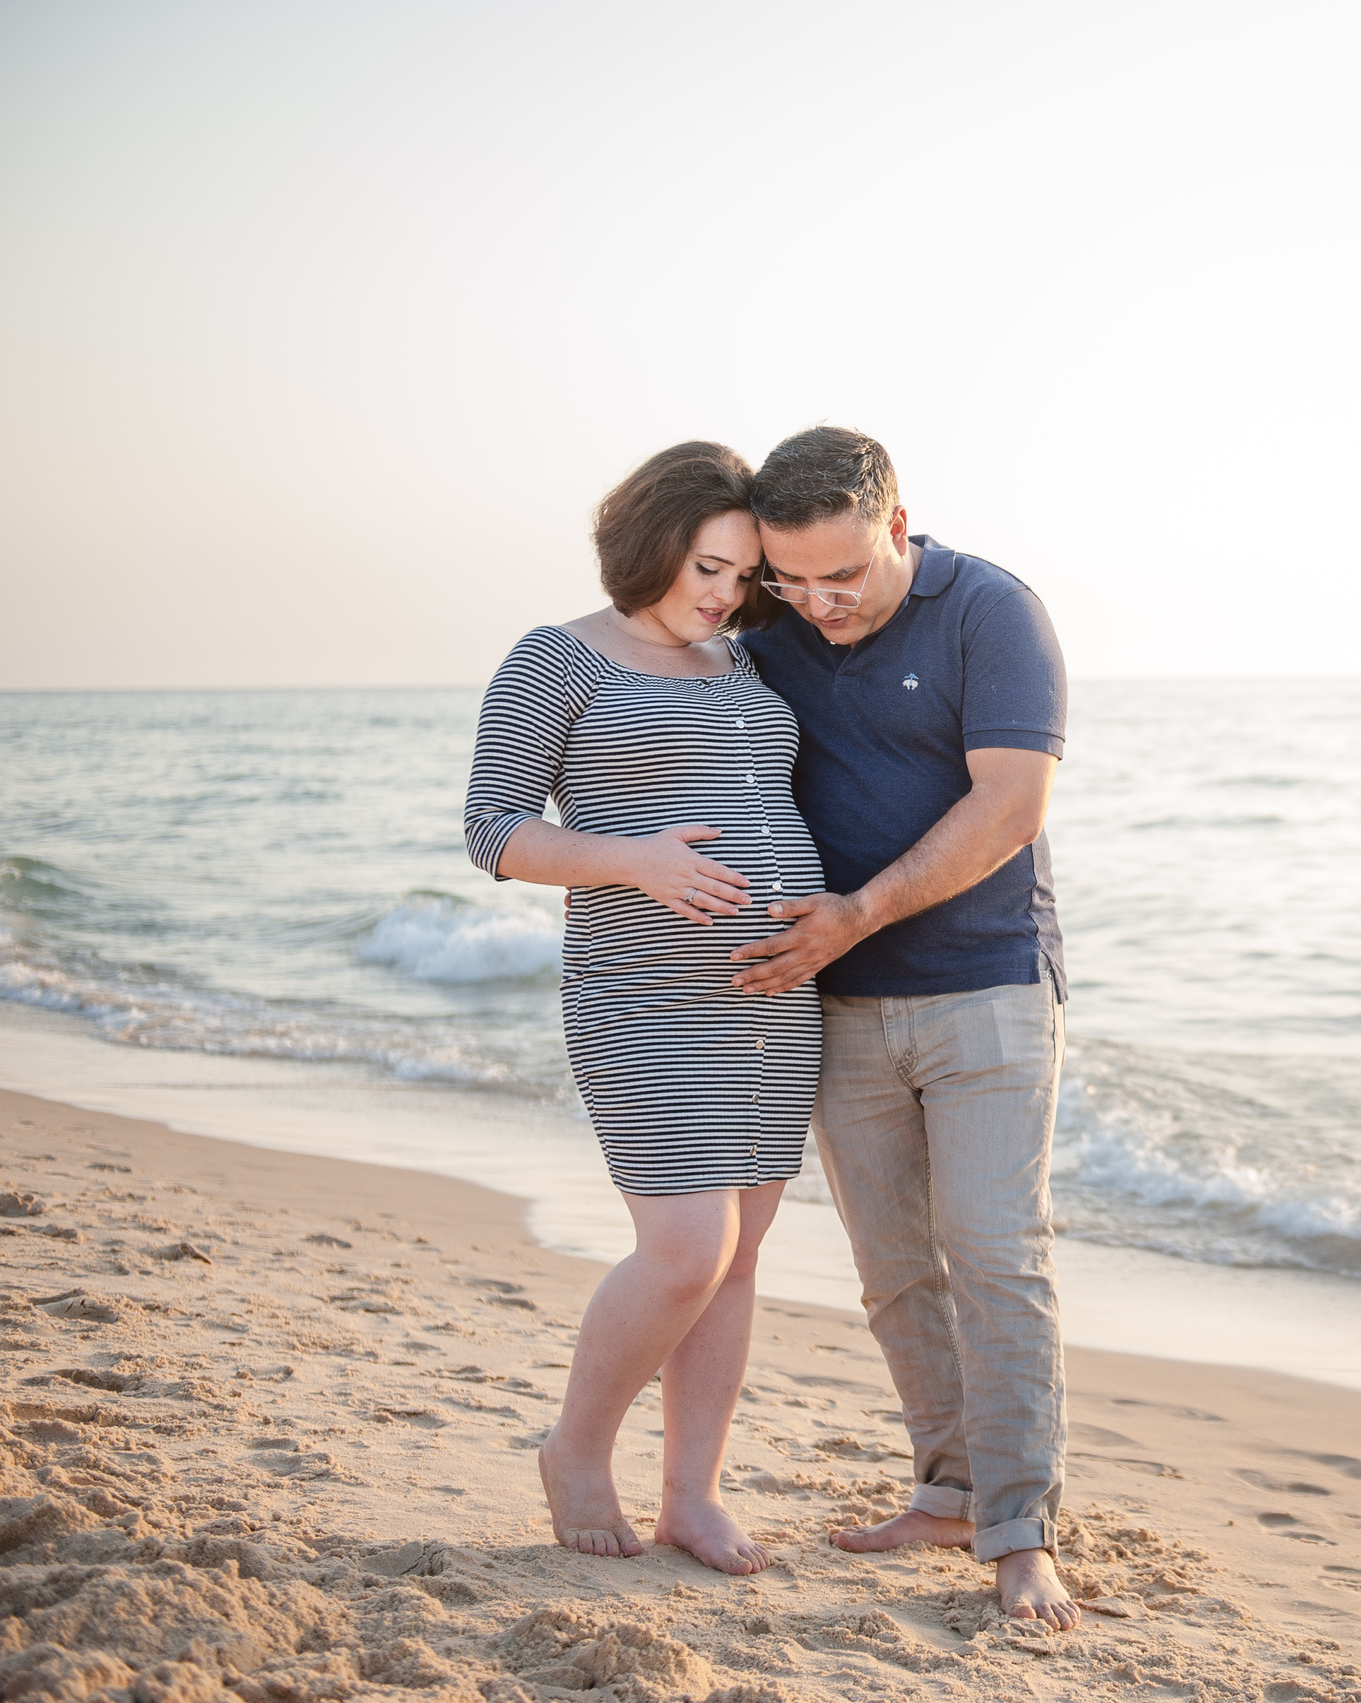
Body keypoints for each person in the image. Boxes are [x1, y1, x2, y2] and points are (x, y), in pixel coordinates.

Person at [730, 425, 1077, 1628]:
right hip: (838, 1007)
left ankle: (1019, 1528)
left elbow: (1012, 805)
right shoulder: (769, 623)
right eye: (791, 579)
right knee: (892, 1269)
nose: (817, 604)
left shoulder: (989, 608)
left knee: (993, 1250)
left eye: (843, 575)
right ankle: (947, 1486)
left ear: (897, 524)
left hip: (985, 982)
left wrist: (856, 914)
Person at [463, 441, 820, 1576]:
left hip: (772, 999)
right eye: (707, 565)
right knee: (685, 1249)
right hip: (644, 994)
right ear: (652, 539)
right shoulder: (555, 660)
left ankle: (693, 1494)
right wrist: (634, 861)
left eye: (741, 575)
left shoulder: (746, 663)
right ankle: (574, 1448)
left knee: (741, 1253)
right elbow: (495, 829)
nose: (722, 593)